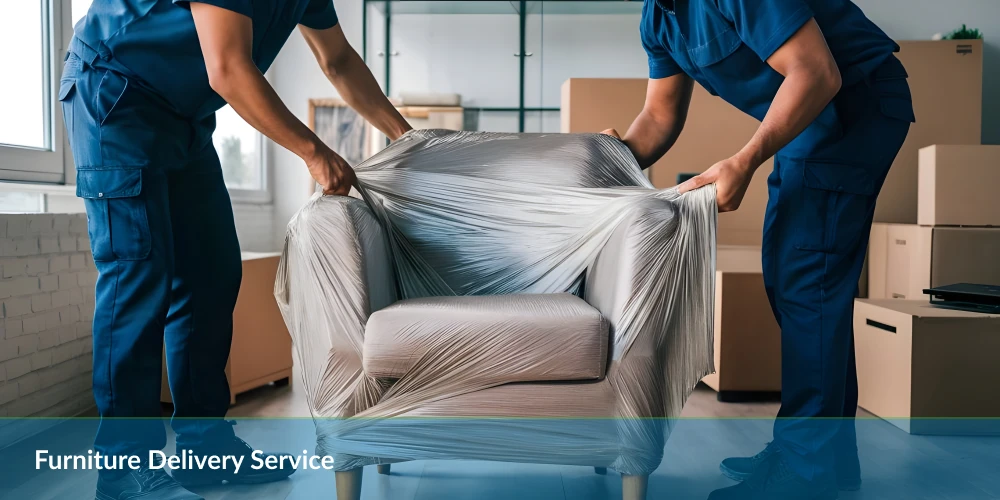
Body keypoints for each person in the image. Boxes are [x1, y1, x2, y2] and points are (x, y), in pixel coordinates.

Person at [61, 1, 410, 499]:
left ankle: (204, 451)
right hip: (115, 94)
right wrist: (315, 152)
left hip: (182, 116)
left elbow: (339, 61)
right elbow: (228, 68)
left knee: (211, 275)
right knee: (137, 278)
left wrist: (406, 138)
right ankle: (123, 472)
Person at [604, 1, 913, 499]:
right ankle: (826, 458)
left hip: (854, 104)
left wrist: (744, 161)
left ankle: (806, 470)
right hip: (812, 121)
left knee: (806, 280)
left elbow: (816, 71)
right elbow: (659, 114)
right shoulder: (657, 18)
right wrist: (609, 155)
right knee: (791, 277)